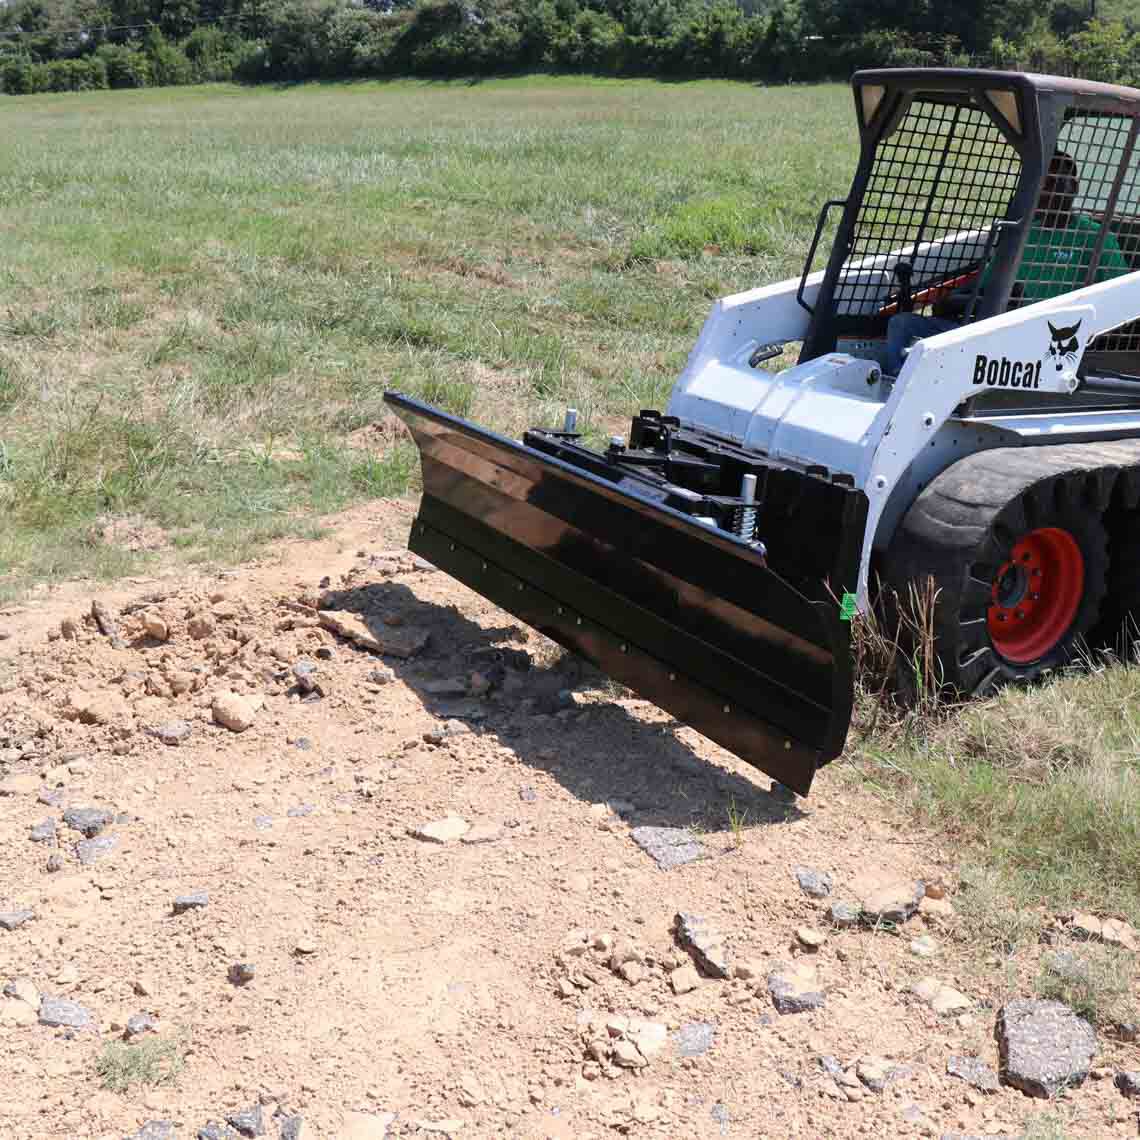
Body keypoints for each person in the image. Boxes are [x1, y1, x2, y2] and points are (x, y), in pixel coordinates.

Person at [885, 151, 1131, 375]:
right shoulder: (1020, 235)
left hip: (1044, 343)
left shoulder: (1096, 239)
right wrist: (950, 301)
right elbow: (984, 288)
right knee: (902, 323)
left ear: (1074, 187)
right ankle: (897, 379)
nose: (1047, 191)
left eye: (1056, 182)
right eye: (1042, 183)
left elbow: (1125, 301)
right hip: (990, 329)